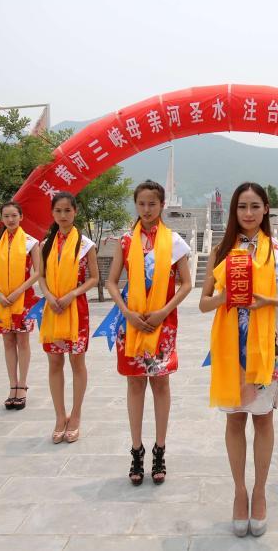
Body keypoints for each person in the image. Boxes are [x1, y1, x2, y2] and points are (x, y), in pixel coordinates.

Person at [199, 182, 278, 537]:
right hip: (229, 347)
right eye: (242, 206)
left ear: (266, 209)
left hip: (266, 347)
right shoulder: (221, 250)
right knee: (233, 422)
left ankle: (260, 491)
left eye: (254, 206)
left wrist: (268, 300)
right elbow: (203, 303)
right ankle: (239, 492)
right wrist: (226, 296)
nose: (248, 213)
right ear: (234, 210)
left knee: (261, 420)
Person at [103, 180, 192, 484]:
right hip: (131, 322)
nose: (147, 209)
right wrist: (125, 311)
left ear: (161, 205)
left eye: (152, 203)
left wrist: (164, 312)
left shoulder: (175, 241)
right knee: (136, 385)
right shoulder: (126, 241)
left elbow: (186, 283)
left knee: (161, 386)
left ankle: (160, 450)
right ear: (136, 205)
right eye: (141, 203)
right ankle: (136, 449)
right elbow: (112, 281)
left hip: (162, 324)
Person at [38, 193, 99, 443]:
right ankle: (59, 416)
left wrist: (72, 294)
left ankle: (75, 415)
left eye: (67, 211)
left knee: (77, 363)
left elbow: (94, 278)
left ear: (75, 212)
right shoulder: (46, 245)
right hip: (52, 309)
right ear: (53, 214)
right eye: (58, 211)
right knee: (54, 363)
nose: (63, 216)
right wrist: (49, 296)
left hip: (76, 309)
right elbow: (40, 276)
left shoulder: (85, 245)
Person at [0, 201, 42, 410]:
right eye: (6, 216)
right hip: (1, 300)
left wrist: (19, 290)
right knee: (8, 342)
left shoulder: (31, 242)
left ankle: (22, 385)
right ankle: (12, 385)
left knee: (23, 342)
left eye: (14, 216)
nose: (10, 220)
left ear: (21, 217)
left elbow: (37, 272)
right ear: (2, 219)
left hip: (24, 299)